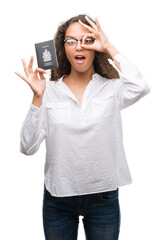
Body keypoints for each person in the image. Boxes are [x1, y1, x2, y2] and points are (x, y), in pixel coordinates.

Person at [15, 14, 150, 240]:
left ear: (95, 46)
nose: (79, 46)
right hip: (58, 198)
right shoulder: (49, 91)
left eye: (87, 40)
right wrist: (37, 98)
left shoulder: (112, 89)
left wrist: (109, 46)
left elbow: (141, 86)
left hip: (103, 197)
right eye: (71, 41)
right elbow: (27, 147)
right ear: (63, 48)